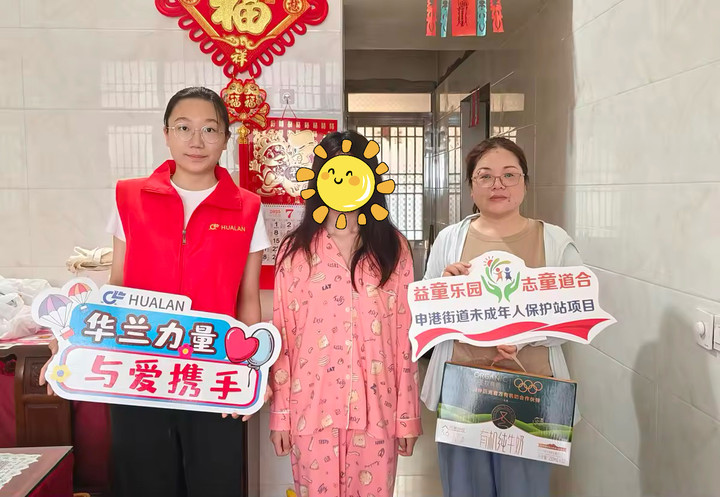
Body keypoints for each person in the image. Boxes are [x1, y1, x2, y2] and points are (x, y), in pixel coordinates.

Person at [41, 86, 271, 497]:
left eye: (210, 129)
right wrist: (72, 343)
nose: (196, 140)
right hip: (137, 370)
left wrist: (254, 370)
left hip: (212, 372)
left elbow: (247, 297)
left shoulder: (248, 207)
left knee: (215, 482)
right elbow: (117, 284)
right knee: (142, 481)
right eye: (183, 127)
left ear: (225, 138)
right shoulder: (130, 197)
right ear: (166, 133)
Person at [421, 137, 582, 497]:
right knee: (464, 488)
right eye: (485, 176)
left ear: (525, 183)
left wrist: (524, 339)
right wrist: (444, 288)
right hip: (463, 393)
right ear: (471, 186)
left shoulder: (554, 241)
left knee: (524, 489)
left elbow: (576, 313)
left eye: (509, 175)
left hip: (532, 394)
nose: (498, 185)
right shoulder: (449, 239)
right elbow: (425, 314)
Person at [268, 130, 422, 497]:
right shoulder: (295, 250)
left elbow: (405, 338)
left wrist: (407, 416)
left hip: (377, 411)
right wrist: (281, 415)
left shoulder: (393, 249)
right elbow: (284, 337)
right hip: (311, 408)